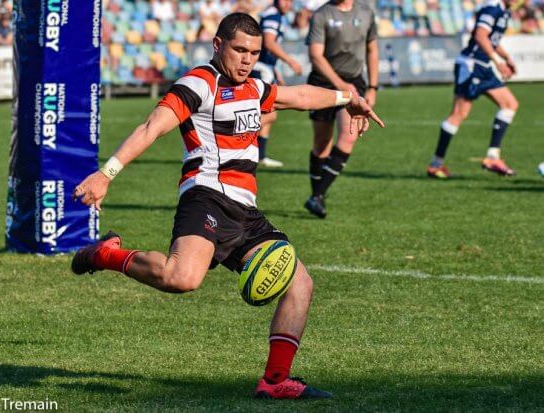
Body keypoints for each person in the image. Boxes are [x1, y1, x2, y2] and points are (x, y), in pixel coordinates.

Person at [72, 13, 383, 400]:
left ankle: (275, 381)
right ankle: (106, 254)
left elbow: (299, 96)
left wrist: (348, 100)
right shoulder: (198, 83)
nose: (247, 59)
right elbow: (153, 126)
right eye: (239, 50)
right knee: (181, 279)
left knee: (300, 283)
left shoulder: (254, 86)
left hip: (244, 209)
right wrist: (108, 173)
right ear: (218, 46)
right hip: (206, 196)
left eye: (253, 52)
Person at [427, 0, 520, 179]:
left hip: (483, 66)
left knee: (510, 104)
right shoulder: (492, 8)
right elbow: (480, 35)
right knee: (459, 114)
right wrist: (498, 62)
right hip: (471, 66)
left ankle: (493, 157)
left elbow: (492, 40)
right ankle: (435, 164)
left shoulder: (505, 11)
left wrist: (506, 57)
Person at [304, 0, 379, 218]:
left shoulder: (366, 12)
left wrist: (373, 87)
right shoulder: (322, 15)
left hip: (355, 82)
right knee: (322, 144)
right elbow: (315, 55)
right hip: (323, 82)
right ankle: (316, 196)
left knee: (349, 136)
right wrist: (339, 84)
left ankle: (317, 195)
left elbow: (372, 49)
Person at [250, 0, 303, 168]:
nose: (288, 4)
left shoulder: (275, 14)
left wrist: (276, 72)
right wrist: (290, 61)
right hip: (261, 69)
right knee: (269, 114)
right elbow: (269, 43)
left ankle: (260, 155)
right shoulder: (273, 15)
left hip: (266, 69)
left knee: (269, 112)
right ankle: (235, 137)